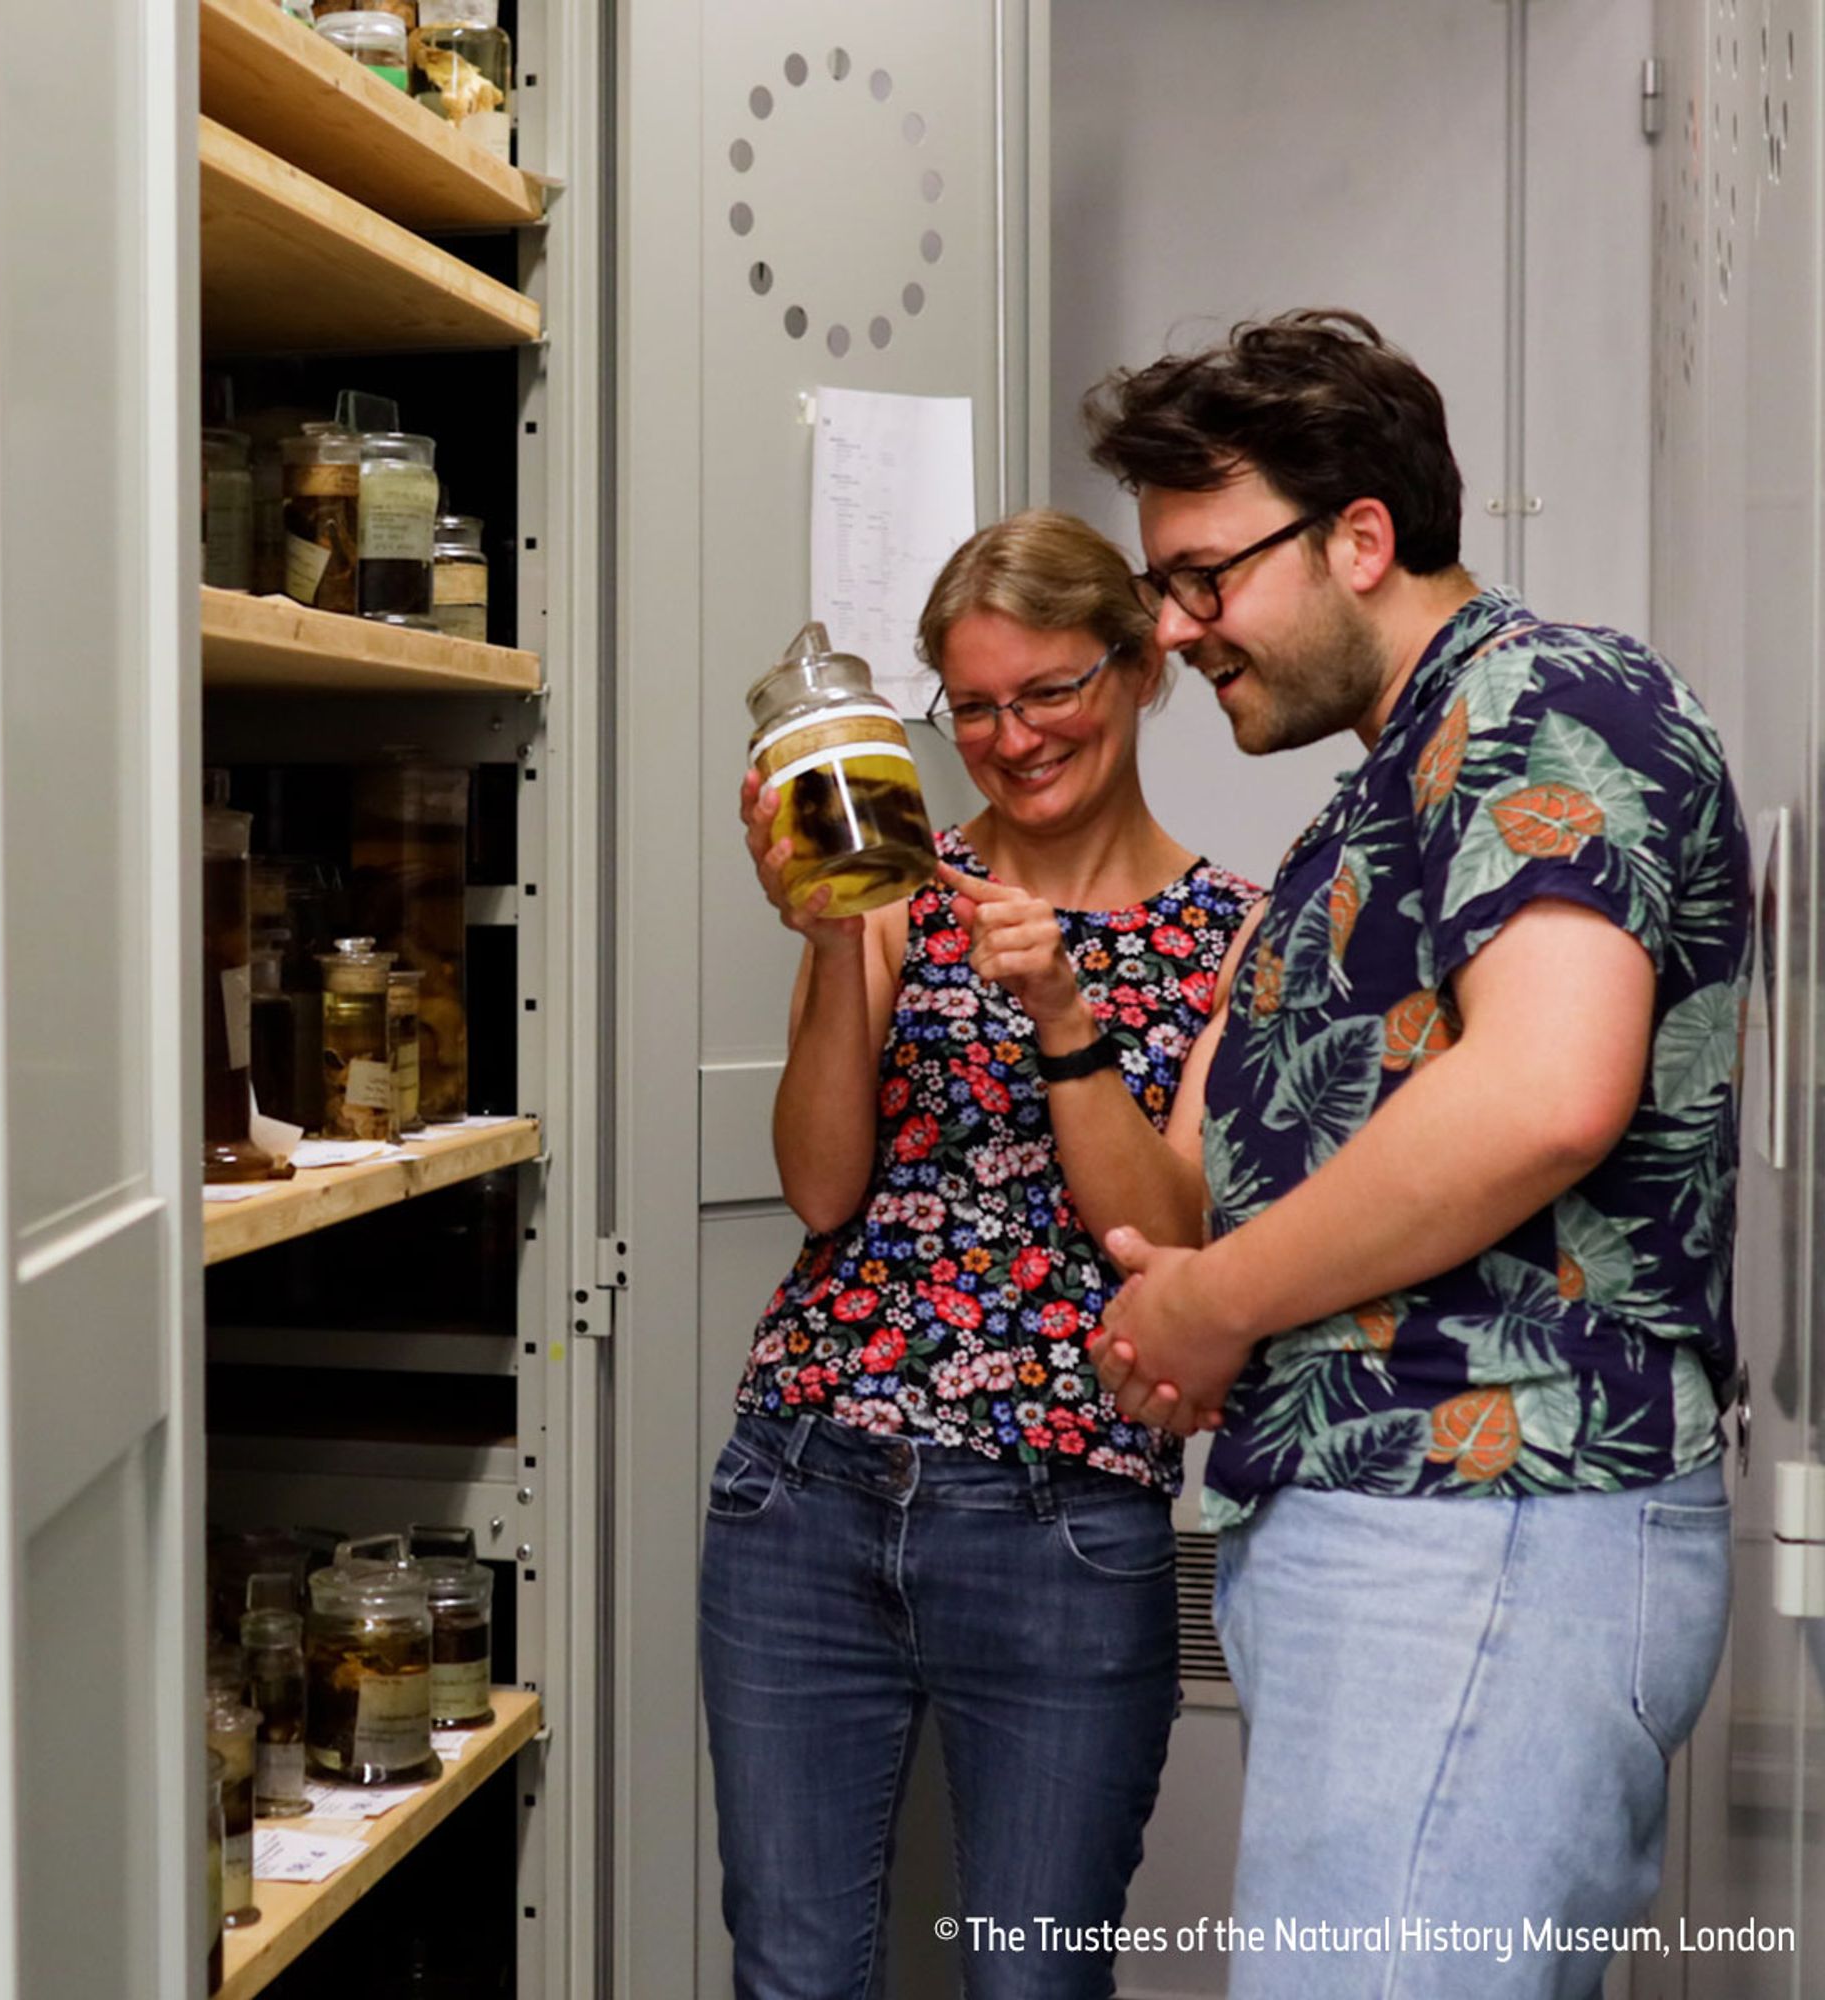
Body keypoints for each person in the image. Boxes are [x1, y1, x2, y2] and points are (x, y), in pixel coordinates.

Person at [1080, 311, 1749, 2000]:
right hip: (1396, 1534)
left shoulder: (1546, 697)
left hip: (1489, 1520)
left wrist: (1218, 1304)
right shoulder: (1358, 812)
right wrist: (1181, 1296)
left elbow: (1544, 1092)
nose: (1173, 629)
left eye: (1203, 577)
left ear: (1360, 539)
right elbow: (1188, 1188)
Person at [699, 507, 1262, 1999]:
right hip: (805, 1488)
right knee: (796, 1970)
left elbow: (1170, 1236)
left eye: (1050, 691)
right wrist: (832, 939)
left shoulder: (1235, 936)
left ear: (1142, 670)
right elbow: (822, 1195)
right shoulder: (899, 891)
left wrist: (1068, 1020)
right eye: (977, 708)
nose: (1012, 740)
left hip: (1066, 1521)